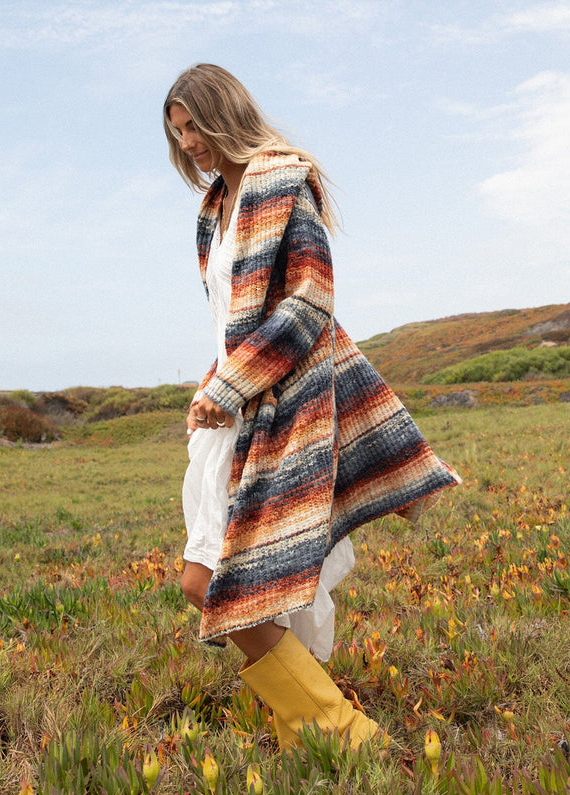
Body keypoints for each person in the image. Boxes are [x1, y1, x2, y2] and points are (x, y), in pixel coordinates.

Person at [163, 63, 460, 753]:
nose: (190, 144)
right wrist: (214, 383)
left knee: (212, 581)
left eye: (196, 126)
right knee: (235, 582)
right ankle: (320, 730)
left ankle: (341, 735)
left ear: (226, 112)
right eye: (178, 134)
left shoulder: (282, 182)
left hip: (284, 409)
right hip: (234, 412)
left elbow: (309, 302)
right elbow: (232, 320)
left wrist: (233, 384)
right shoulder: (213, 211)